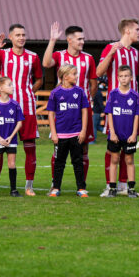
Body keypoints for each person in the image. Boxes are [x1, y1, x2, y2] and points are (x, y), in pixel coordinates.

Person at [0, 23, 44, 196]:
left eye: (23, 34)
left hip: (27, 108)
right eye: (17, 35)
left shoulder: (32, 57)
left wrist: (29, 92)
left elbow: (39, 79)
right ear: (11, 37)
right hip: (4, 108)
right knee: (0, 147)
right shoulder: (3, 54)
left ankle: (29, 186)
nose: (21, 38)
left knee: (30, 147)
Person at [43, 23, 97, 189]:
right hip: (63, 111)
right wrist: (52, 40)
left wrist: (88, 101)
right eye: (79, 39)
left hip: (82, 108)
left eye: (83, 39)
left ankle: (82, 185)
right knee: (58, 147)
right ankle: (55, 183)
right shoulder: (60, 56)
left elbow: (93, 83)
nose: (82, 42)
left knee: (84, 147)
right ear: (69, 40)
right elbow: (46, 63)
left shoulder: (88, 58)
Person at [97, 17, 139, 195]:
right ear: (127, 31)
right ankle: (110, 185)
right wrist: (110, 54)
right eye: (137, 29)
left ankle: (124, 185)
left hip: (132, 108)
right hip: (115, 108)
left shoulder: (136, 53)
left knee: (129, 146)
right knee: (113, 145)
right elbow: (98, 72)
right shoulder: (111, 47)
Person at [47, 64, 90, 197]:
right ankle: (56, 187)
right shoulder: (55, 93)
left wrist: (83, 131)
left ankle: (81, 188)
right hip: (60, 135)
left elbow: (84, 112)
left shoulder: (80, 91)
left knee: (77, 162)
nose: (77, 76)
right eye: (74, 74)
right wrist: (53, 133)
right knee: (59, 162)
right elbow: (50, 114)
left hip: (76, 134)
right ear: (65, 76)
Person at [104, 65, 139, 198]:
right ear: (118, 78)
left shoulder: (135, 95)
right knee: (114, 159)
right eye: (121, 76)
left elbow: (137, 115)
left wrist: (133, 134)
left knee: (129, 160)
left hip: (129, 135)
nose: (123, 78)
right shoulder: (113, 94)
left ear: (131, 78)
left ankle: (131, 188)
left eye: (126, 76)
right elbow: (109, 114)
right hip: (115, 134)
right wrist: (112, 132)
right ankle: (112, 188)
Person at [0, 77, 24, 197]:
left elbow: (19, 122)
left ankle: (13, 190)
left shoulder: (15, 104)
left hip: (11, 140)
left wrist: (11, 136)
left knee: (12, 164)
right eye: (9, 85)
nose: (13, 87)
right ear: (1, 88)